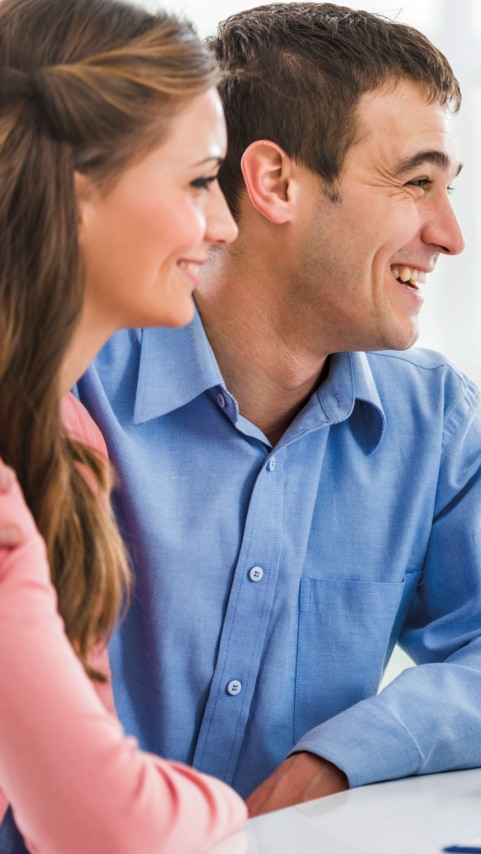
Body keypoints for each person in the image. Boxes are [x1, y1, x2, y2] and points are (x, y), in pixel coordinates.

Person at [74, 2, 481, 815]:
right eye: (415, 183)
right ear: (277, 183)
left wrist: (344, 755)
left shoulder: (432, 425)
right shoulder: (73, 385)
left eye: (448, 189)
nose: (450, 234)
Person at [0, 0, 246, 850]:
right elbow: (112, 825)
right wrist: (231, 805)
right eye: (198, 180)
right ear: (75, 198)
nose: (225, 225)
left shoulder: (67, 447)